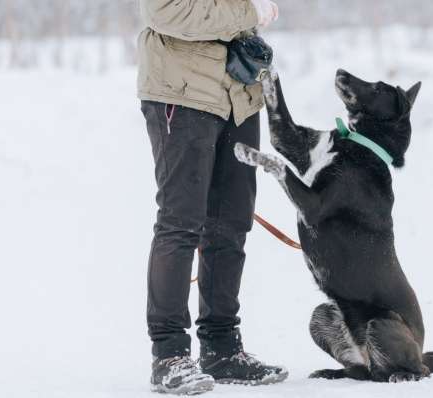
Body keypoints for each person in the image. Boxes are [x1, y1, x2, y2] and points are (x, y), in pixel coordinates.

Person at [137, 0, 285, 395]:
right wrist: (250, 13)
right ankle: (169, 354)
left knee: (232, 224)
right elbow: (165, 12)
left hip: (238, 97)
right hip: (182, 95)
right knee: (180, 223)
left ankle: (221, 347)